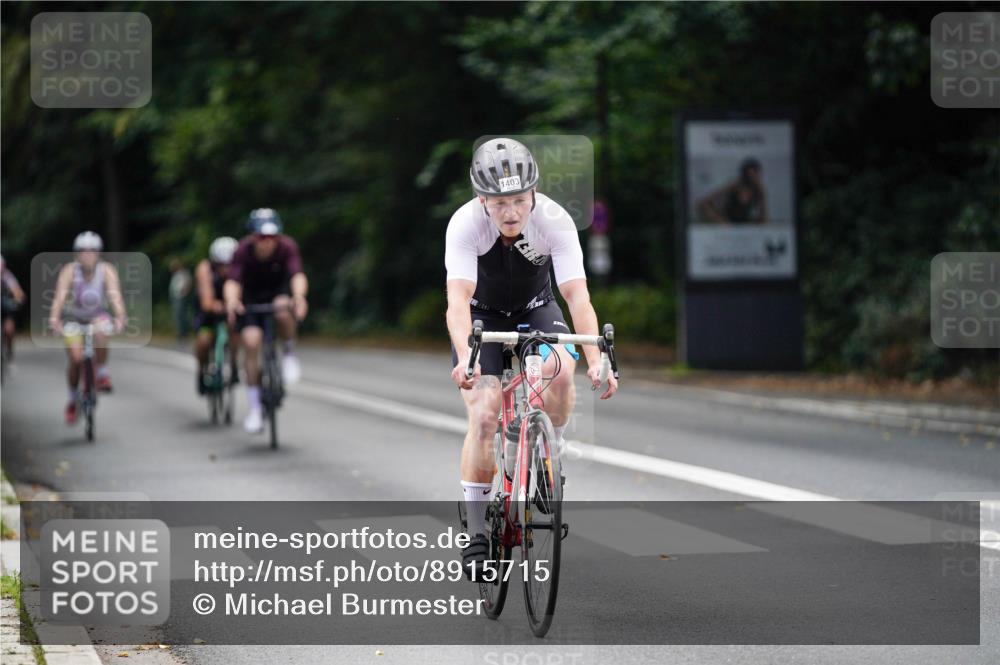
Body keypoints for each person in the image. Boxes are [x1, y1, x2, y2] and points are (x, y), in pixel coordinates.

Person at [444, 138, 618, 579]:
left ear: (534, 194)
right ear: (482, 199)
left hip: (536, 308)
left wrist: (597, 356)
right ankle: (478, 532)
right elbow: (458, 301)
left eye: (520, 200)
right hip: (482, 316)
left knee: (561, 372)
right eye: (500, 202)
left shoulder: (555, 221)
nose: (511, 212)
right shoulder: (465, 224)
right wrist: (467, 355)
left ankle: (549, 451)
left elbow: (576, 295)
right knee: (484, 416)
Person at [224, 209, 308, 434]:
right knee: (251, 343)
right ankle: (254, 407)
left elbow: (297, 275)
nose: (267, 242)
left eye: (272, 237)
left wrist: (299, 297)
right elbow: (232, 281)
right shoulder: (242, 251)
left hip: (277, 293)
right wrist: (232, 301)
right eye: (262, 237)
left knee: (282, 309)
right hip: (251, 298)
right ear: (252, 237)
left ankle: (289, 352)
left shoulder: (287, 247)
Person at [47, 232, 127, 424]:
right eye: (83, 251)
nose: (88, 255)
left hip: (97, 317)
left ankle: (102, 374)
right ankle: (73, 399)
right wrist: (54, 319)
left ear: (98, 253)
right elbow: (59, 297)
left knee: (100, 332)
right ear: (77, 254)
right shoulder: (70, 271)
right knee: (75, 359)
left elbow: (115, 297)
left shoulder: (106, 270)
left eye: (92, 251)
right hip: (74, 319)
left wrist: (120, 317)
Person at [194, 237, 240, 394]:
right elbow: (206, 301)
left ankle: (234, 366)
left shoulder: (240, 270)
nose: (226, 269)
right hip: (209, 312)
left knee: (236, 329)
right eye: (222, 265)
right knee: (204, 341)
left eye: (230, 264)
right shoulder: (205, 269)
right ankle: (201, 371)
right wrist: (215, 305)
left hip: (231, 310)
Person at [697, 157, 769, 225]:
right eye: (750, 175)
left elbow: (763, 216)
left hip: (745, 224)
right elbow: (703, 203)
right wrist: (720, 220)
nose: (753, 178)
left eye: (755, 175)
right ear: (745, 175)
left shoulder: (758, 190)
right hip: (729, 223)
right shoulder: (734, 186)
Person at [1, 254, 26, 362]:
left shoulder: (8, 276)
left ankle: (9, 353)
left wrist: (18, 299)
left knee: (9, 330)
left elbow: (18, 292)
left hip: (5, 308)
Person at [168, 258, 193, 342]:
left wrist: (184, 292)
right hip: (176, 297)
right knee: (177, 315)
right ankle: (180, 332)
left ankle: (183, 333)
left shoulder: (184, 273)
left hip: (181, 297)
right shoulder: (176, 274)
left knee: (181, 315)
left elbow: (188, 284)